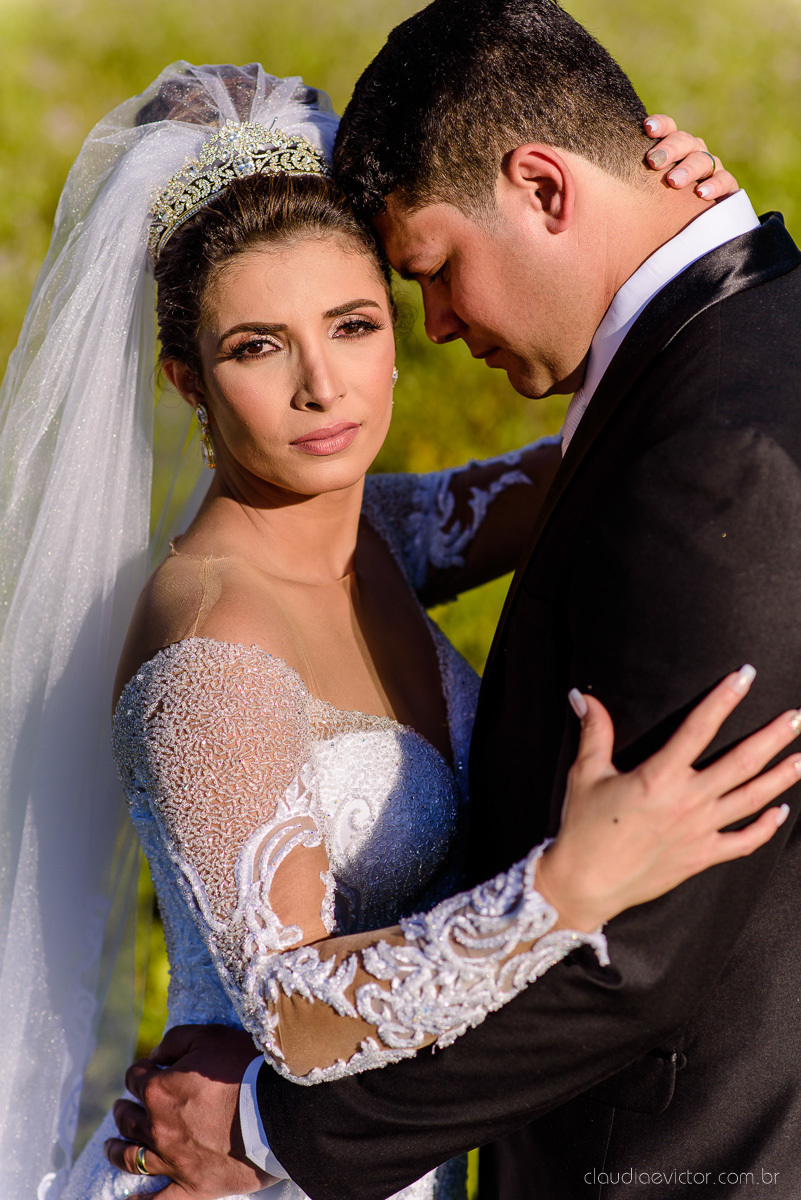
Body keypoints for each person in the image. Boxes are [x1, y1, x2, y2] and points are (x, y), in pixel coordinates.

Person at [0, 58, 788, 1200]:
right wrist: (567, 887)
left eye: (355, 323)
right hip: (243, 1170)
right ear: (187, 380)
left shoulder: (376, 531)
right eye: (257, 347)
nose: (325, 386)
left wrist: (683, 243)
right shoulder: (210, 652)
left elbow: (641, 429)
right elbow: (293, 1010)